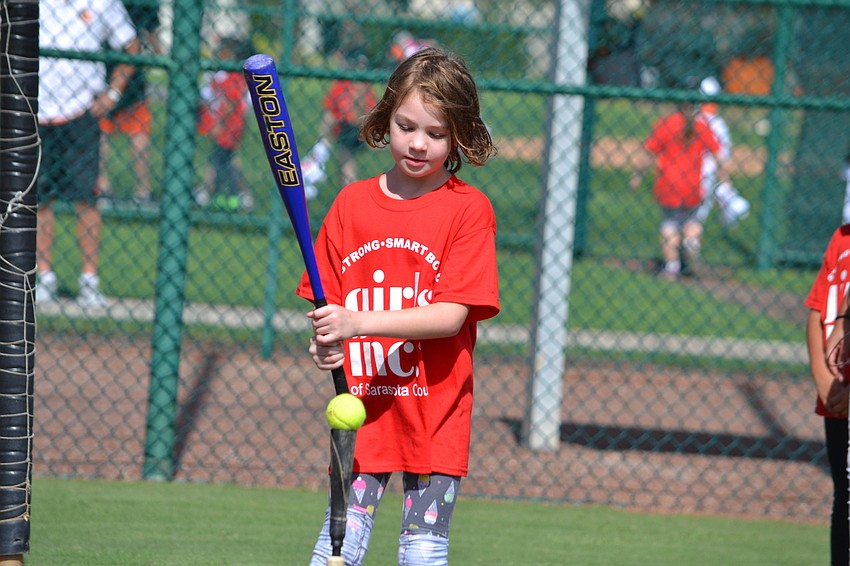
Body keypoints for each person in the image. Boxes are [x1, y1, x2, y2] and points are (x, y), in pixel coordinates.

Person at [298, 47, 500, 566]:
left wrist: (356, 323)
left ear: (459, 136)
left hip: (435, 412)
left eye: (435, 133)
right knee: (337, 544)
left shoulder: (468, 210)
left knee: (422, 550)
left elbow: (451, 315)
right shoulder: (351, 204)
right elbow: (330, 308)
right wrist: (326, 341)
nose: (417, 143)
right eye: (406, 126)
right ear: (385, 118)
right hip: (363, 407)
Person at [37, 0, 140, 308]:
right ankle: (44, 278)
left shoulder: (103, 2)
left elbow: (131, 46)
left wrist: (113, 93)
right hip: (36, 109)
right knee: (38, 198)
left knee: (87, 196)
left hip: (82, 111)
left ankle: (89, 281)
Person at [629, 96, 723, 281]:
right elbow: (718, 153)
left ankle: (672, 266)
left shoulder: (666, 123)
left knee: (670, 223)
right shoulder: (701, 126)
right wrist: (725, 179)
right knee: (692, 221)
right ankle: (690, 243)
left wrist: (637, 176)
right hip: (692, 185)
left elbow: (649, 153)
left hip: (668, 183)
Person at [805, 224, 850, 566]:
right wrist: (823, 378)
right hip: (836, 394)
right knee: (844, 497)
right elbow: (817, 310)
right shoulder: (841, 238)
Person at [96, 1, 162, 208]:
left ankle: (104, 188)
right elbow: (153, 39)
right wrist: (159, 53)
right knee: (130, 131)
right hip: (127, 71)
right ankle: (142, 191)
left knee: (106, 131)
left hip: (110, 69)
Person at [195, 36, 253, 212]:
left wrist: (218, 123)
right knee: (225, 159)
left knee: (221, 160)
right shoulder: (222, 75)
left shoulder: (233, 77)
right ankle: (216, 191)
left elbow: (231, 103)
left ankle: (212, 192)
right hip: (228, 124)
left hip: (231, 125)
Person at [693, 76, 750, 228]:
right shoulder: (719, 125)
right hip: (708, 175)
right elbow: (721, 157)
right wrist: (726, 182)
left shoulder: (692, 120)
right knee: (695, 221)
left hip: (688, 173)